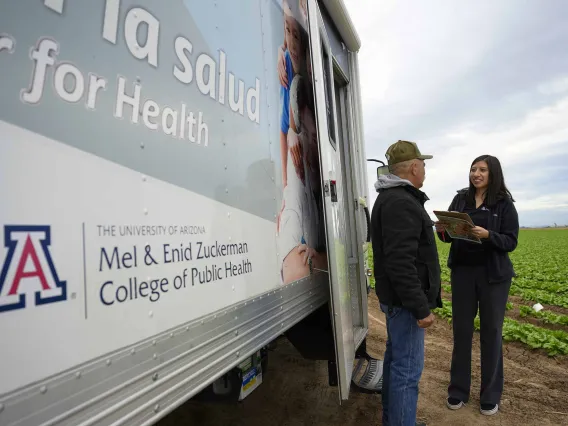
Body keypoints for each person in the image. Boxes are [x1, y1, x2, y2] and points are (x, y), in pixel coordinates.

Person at [436, 155, 519, 416]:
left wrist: (488, 235)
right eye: (473, 169)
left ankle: (490, 395)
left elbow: (511, 241)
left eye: (482, 169)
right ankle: (458, 390)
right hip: (463, 273)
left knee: (491, 332)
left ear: (492, 173)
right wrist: (442, 229)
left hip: (494, 276)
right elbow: (447, 236)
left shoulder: (504, 204)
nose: (476, 174)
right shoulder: (461, 199)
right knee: (461, 331)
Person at [371, 140, 442, 426]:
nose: (424, 169)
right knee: (407, 370)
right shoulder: (401, 202)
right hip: (405, 303)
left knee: (396, 362)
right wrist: (420, 307)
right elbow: (401, 263)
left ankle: (396, 420)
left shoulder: (390, 198)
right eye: (422, 164)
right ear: (414, 167)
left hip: (396, 300)